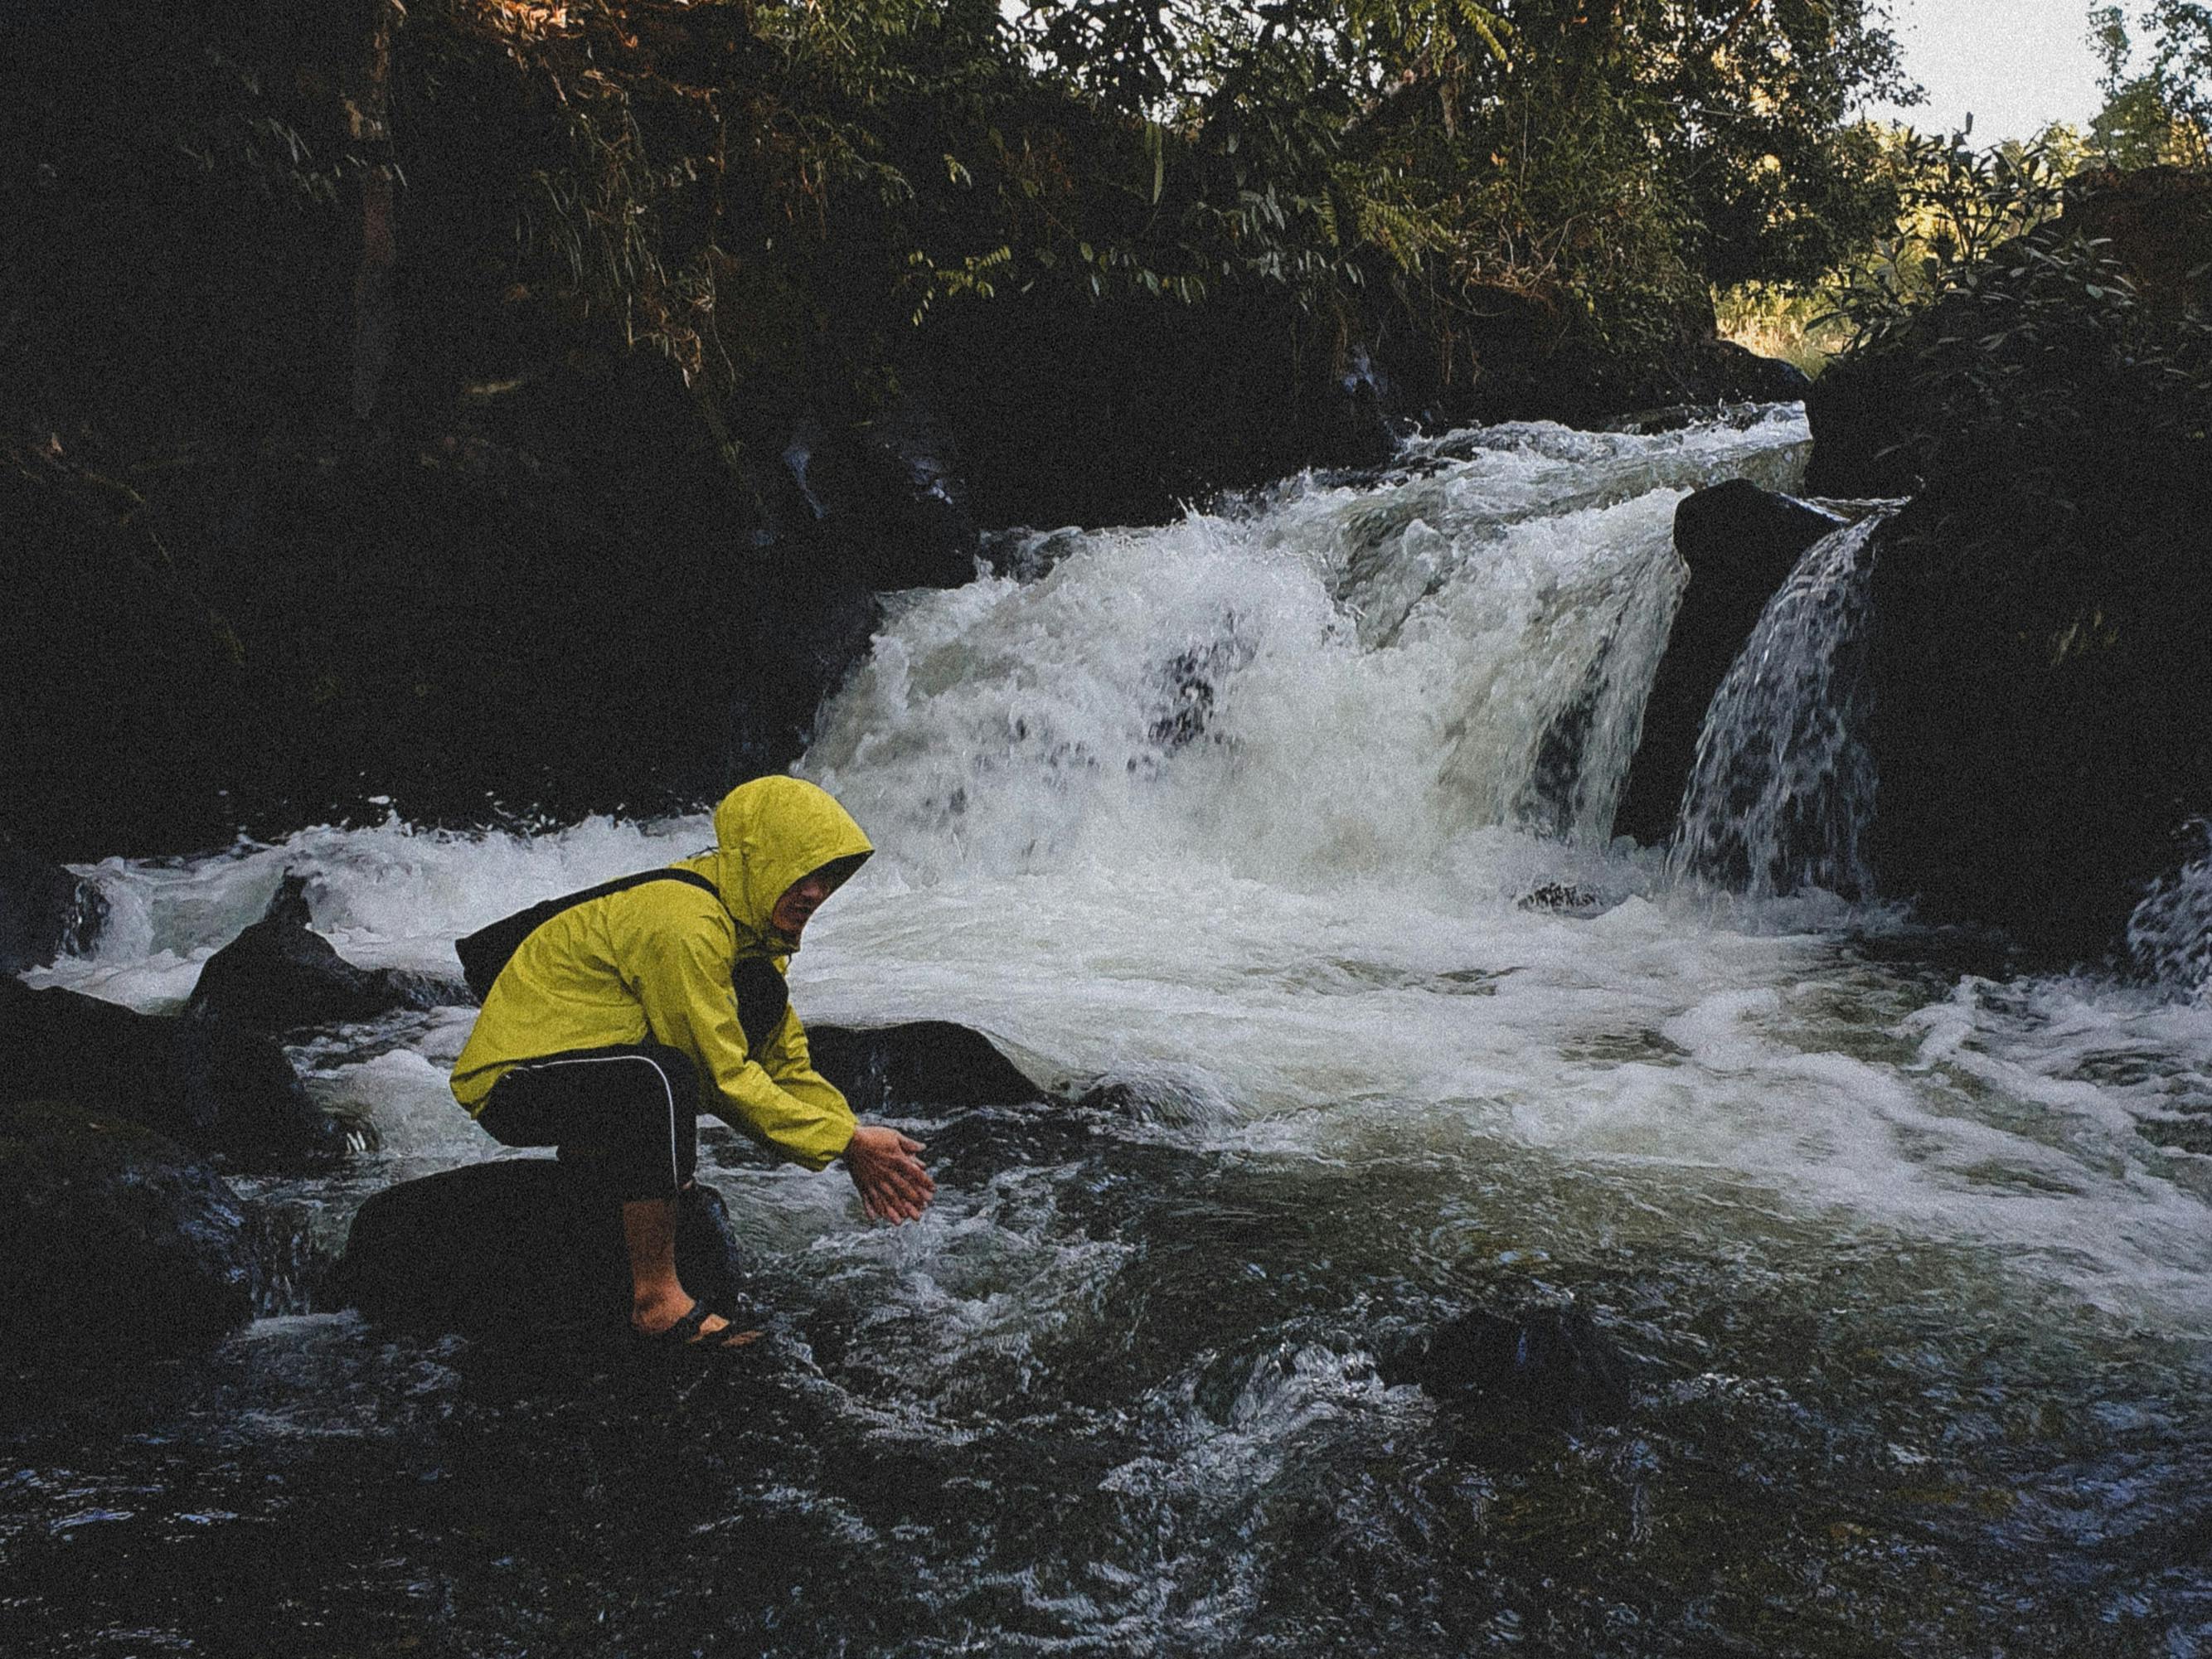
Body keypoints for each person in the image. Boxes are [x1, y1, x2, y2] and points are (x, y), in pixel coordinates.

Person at [448, 776, 936, 1349]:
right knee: (662, 1078)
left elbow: (786, 1065)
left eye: (827, 877)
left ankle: (599, 1177)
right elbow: (722, 1077)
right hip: (514, 1079)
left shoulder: (751, 937)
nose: (814, 891)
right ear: (760, 859)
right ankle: (656, 1300)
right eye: (800, 871)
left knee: (738, 1013)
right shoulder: (685, 922)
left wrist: (851, 1135)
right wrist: (845, 1143)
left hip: (587, 1063)